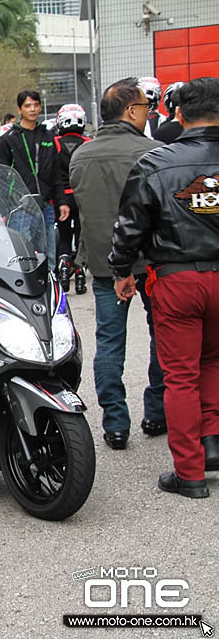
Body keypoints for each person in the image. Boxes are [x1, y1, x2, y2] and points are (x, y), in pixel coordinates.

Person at [109, 77, 219, 498]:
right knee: (212, 363)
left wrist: (121, 270)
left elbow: (130, 227)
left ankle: (190, 472)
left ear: (177, 114)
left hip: (178, 279)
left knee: (180, 376)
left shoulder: (157, 162)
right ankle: (211, 442)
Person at [70, 77, 166, 450]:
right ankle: (156, 413)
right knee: (162, 337)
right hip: (152, 262)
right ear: (131, 111)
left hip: (103, 264)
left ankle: (114, 423)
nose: (148, 113)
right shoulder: (154, 152)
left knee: (109, 343)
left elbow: (83, 214)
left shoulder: (81, 155)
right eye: (145, 107)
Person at [0, 89, 58, 270]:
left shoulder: (49, 137)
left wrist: (62, 201)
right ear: (19, 109)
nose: (33, 109)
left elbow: (56, 172)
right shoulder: (7, 140)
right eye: (28, 105)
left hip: (46, 205)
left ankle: (51, 291)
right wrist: (3, 209)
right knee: (23, 257)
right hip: (20, 207)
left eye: (36, 105)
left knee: (49, 255)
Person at [53, 103, 90, 263]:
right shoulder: (88, 142)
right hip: (83, 197)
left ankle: (64, 264)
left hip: (62, 197)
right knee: (82, 235)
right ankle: (81, 267)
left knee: (64, 235)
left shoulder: (55, 142)